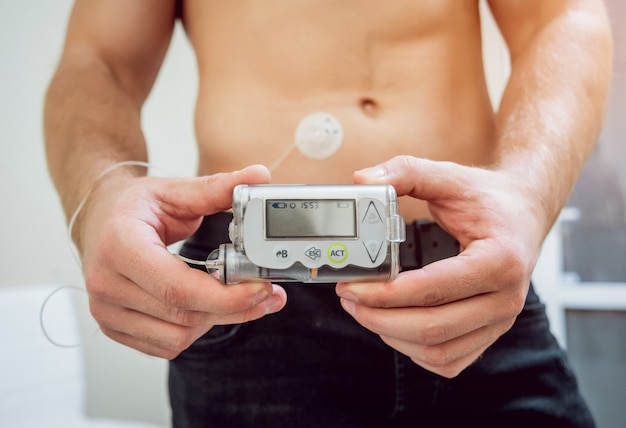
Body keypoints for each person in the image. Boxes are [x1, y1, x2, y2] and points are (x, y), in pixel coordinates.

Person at [44, 0, 613, 426]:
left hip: (467, 278)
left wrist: (525, 196)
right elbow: (98, 61)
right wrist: (102, 197)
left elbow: (562, 17)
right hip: (249, 301)